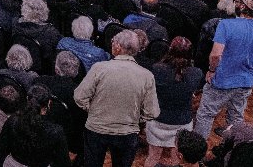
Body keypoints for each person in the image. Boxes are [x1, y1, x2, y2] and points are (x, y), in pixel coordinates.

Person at [193, 0, 253, 139]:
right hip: (246, 82)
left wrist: (211, 70)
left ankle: (197, 148)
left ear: (242, 6)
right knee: (236, 118)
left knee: (206, 115)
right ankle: (230, 148)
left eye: (237, 1)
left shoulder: (226, 25)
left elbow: (215, 55)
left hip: (221, 80)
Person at [74, 30, 159, 167]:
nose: (111, 44)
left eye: (113, 41)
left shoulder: (99, 68)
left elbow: (79, 96)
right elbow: (152, 112)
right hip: (127, 133)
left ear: (118, 46)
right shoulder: (147, 76)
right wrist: (135, 118)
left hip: (96, 129)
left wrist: (93, 110)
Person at [146, 37, 204, 167]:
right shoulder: (197, 73)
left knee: (153, 156)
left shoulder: (156, 69)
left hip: (157, 120)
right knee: (177, 161)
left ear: (169, 50)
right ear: (191, 53)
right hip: (182, 123)